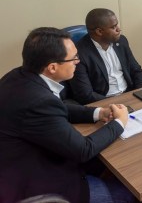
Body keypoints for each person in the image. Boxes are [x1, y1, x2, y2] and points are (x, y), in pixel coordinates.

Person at [0, 27, 133, 203]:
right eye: (73, 58)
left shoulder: (18, 76)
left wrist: (98, 112)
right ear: (52, 67)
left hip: (23, 160)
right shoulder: (37, 101)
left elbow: (58, 107)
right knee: (126, 193)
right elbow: (83, 150)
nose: (78, 61)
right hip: (40, 184)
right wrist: (119, 123)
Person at [70, 8, 142, 104]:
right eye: (113, 27)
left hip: (130, 96)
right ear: (99, 31)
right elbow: (85, 94)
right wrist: (115, 104)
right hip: (104, 103)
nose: (119, 29)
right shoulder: (79, 53)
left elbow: (136, 70)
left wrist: (139, 93)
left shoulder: (121, 41)